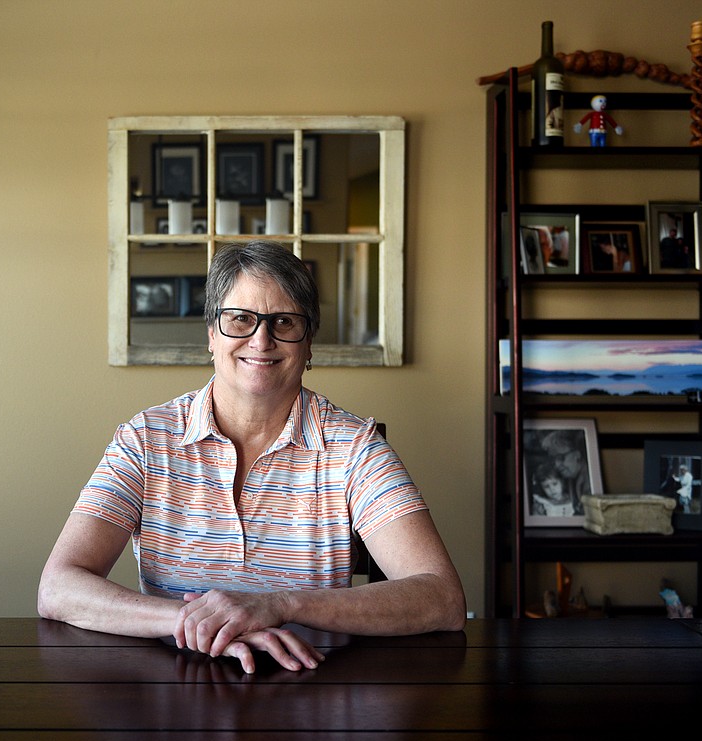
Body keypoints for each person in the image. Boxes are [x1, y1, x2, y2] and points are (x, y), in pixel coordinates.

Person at [38, 241, 466, 674]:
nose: (261, 340)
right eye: (240, 319)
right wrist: (202, 622)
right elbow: (58, 587)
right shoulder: (146, 439)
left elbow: (442, 599)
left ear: (309, 343)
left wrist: (279, 604)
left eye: (284, 321)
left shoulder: (355, 447)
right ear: (211, 334)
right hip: (173, 688)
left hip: (312, 688)